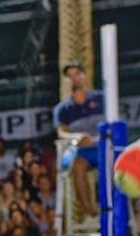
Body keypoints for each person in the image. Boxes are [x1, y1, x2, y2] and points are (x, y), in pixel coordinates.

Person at [53, 61, 103, 218]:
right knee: (77, 167)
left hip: (103, 146)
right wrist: (77, 137)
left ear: (84, 75)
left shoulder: (101, 98)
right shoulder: (62, 109)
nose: (74, 78)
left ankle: (108, 205)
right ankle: (89, 211)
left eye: (77, 74)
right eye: (70, 76)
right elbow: (61, 133)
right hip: (82, 151)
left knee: (109, 166)